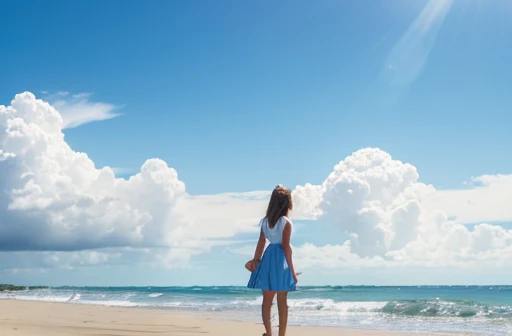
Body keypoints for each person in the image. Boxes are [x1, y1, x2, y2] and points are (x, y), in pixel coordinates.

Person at [246, 184, 298, 336]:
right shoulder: (285, 222)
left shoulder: (265, 221)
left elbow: (261, 242)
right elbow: (286, 248)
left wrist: (256, 260)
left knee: (267, 301)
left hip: (268, 259)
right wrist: (293, 272)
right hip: (280, 260)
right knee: (282, 300)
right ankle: (281, 335)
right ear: (287, 203)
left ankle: (268, 333)